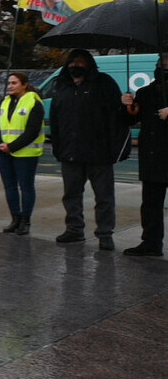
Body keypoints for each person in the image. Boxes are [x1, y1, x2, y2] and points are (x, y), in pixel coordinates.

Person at [51, 49, 130, 251]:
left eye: (80, 61)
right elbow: (55, 120)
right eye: (71, 62)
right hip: (70, 152)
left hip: (99, 154)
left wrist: (126, 106)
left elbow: (118, 117)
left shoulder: (104, 83)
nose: (75, 65)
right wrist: (58, 147)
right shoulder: (62, 85)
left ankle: (105, 233)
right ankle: (74, 230)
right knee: (71, 195)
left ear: (89, 64)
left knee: (104, 197)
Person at [121, 55, 168, 256]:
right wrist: (127, 105)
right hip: (152, 155)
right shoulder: (145, 92)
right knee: (150, 203)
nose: (164, 66)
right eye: (162, 62)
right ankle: (151, 242)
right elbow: (130, 119)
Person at [0, 72, 44, 235]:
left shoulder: (33, 101)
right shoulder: (4, 102)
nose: (10, 86)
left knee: (26, 188)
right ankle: (15, 218)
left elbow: (32, 131)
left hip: (25, 153)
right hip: (3, 152)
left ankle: (25, 220)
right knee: (10, 187)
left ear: (24, 84)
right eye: (9, 83)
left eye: (14, 83)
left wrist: (12, 146)